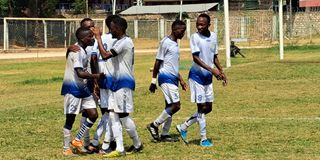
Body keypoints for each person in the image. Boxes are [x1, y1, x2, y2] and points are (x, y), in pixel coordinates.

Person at [92, 16, 142, 158]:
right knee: (113, 115)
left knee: (123, 115)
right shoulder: (120, 41)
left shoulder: (125, 42)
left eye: (112, 28)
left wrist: (98, 38)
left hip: (124, 83)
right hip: (116, 83)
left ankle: (137, 143)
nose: (110, 30)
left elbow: (105, 55)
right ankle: (120, 148)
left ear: (119, 28)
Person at [176, 13, 228, 147]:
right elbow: (196, 58)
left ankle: (183, 126)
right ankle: (203, 139)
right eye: (197, 24)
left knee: (208, 108)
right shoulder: (194, 37)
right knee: (200, 108)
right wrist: (212, 70)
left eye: (202, 25)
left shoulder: (214, 36)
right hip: (196, 77)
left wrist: (221, 71)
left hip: (208, 78)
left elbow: (214, 56)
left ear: (208, 25)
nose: (199, 27)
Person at [61, 27, 104, 156]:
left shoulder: (82, 49)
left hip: (83, 88)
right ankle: (65, 148)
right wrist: (96, 76)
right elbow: (79, 73)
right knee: (70, 119)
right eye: (90, 37)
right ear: (82, 38)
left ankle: (77, 140)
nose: (92, 39)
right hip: (73, 89)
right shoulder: (77, 51)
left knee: (93, 114)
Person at [147, 20, 187, 142]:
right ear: (175, 29)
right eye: (182, 30)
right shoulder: (165, 42)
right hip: (166, 78)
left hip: (173, 78)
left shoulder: (175, 44)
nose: (184, 33)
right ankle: (154, 125)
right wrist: (153, 81)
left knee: (169, 106)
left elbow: (172, 64)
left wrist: (181, 79)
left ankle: (165, 134)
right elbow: (157, 61)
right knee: (176, 105)